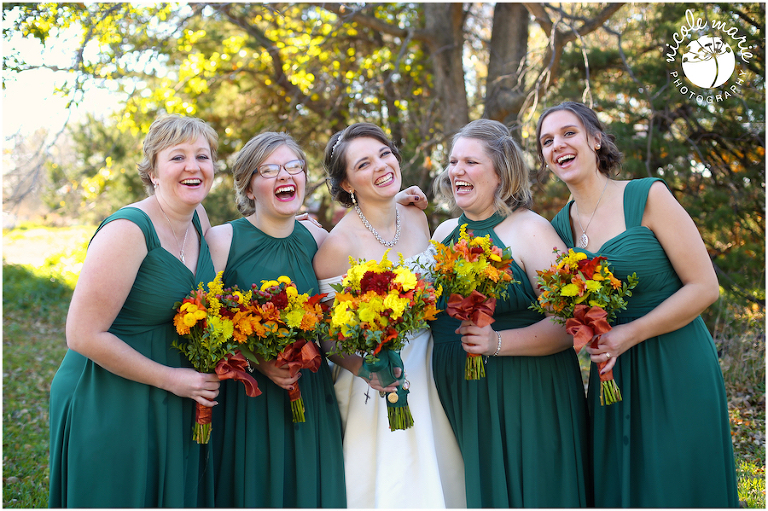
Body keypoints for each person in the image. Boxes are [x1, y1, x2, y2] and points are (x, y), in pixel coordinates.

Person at [536, 101, 738, 507]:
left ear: (596, 140)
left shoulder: (647, 196)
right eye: (547, 141)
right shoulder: (557, 228)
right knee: (627, 486)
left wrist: (629, 333)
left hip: (676, 360)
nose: (558, 145)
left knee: (678, 481)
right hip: (614, 375)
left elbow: (704, 287)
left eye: (569, 133)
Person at [48, 115, 222, 507]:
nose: (193, 167)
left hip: (171, 389)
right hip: (109, 392)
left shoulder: (198, 218)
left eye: (202, 156)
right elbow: (82, 335)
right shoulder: (128, 230)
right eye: (177, 157)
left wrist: (283, 223)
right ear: (153, 172)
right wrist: (171, 379)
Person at [429, 118, 592, 507]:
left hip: (526, 393)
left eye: (471, 162)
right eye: (453, 162)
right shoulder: (442, 234)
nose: (456, 171)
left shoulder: (531, 230)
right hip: (460, 396)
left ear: (501, 174)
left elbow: (570, 324)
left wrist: (497, 342)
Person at [313, 122, 466, 508]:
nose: (381, 166)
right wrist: (367, 370)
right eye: (363, 164)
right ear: (347, 183)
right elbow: (328, 337)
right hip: (375, 378)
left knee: (440, 471)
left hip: (431, 366)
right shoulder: (337, 245)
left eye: (385, 154)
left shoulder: (415, 215)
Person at [205, 131, 347, 507]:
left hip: (310, 392)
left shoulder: (316, 238)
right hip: (248, 399)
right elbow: (203, 324)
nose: (285, 175)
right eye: (268, 170)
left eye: (293, 166)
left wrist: (399, 201)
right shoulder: (222, 240)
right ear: (248, 187)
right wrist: (257, 361)